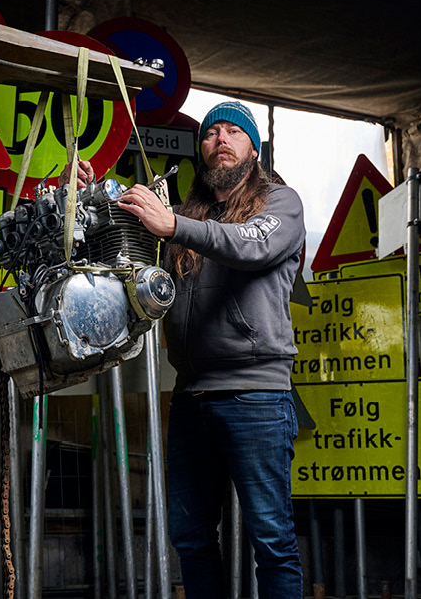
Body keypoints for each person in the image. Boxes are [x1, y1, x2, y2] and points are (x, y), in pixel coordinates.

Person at [67, 100, 305, 597]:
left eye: (234, 132)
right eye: (211, 133)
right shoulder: (181, 217)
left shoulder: (281, 204)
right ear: (202, 150)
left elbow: (250, 244)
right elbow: (121, 252)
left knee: (272, 541)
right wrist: (94, 195)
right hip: (191, 397)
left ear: (254, 150)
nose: (221, 139)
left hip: (256, 396)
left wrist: (172, 224)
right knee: (191, 539)